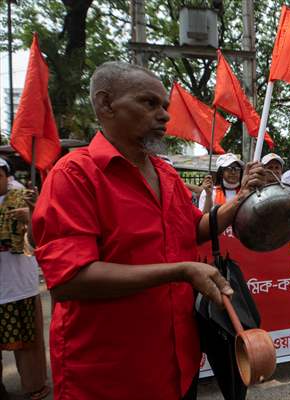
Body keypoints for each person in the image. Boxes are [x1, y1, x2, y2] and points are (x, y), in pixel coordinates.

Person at [31, 61, 266, 400]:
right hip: (109, 376)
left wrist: (240, 200)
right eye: (149, 103)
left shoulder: (166, 174)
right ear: (105, 103)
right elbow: (69, 280)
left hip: (178, 367)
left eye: (165, 106)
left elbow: (195, 229)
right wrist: (181, 270)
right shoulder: (74, 176)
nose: (164, 116)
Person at [0, 158, 49, 400]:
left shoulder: (23, 198)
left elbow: (40, 240)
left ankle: (35, 385)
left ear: (6, 176)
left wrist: (31, 215)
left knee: (27, 342)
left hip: (18, 285)